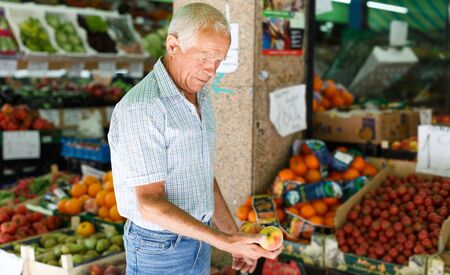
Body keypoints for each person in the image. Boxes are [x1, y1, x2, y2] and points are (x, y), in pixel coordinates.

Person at [108, 3, 283, 275]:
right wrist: (224, 241)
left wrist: (233, 237)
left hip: (198, 240)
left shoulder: (198, 95)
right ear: (173, 46)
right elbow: (150, 204)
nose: (212, 70)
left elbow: (203, 179)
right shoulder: (144, 108)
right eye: (204, 57)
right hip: (160, 250)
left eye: (219, 60)